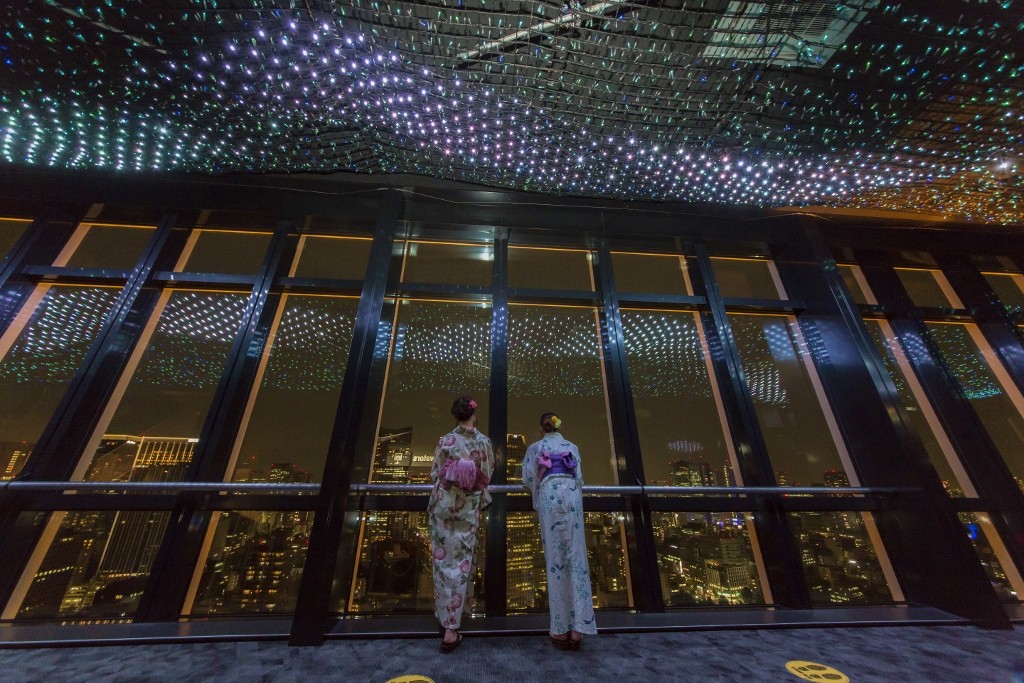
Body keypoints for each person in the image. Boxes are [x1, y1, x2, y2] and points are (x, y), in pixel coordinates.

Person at [521, 412, 597, 650]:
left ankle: (560, 629)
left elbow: (528, 478)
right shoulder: (572, 446)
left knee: (555, 563)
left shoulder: (535, 448)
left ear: (541, 428)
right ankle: (579, 629)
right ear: (558, 425)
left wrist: (540, 494)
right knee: (577, 560)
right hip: (572, 498)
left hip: (550, 498)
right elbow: (580, 478)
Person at [428, 395, 495, 653]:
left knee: (443, 561)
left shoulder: (446, 440)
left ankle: (446, 622)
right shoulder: (483, 441)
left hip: (444, 505)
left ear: (456, 415)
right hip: (467, 507)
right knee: (463, 561)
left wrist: (453, 473)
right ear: (473, 415)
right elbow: (487, 474)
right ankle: (453, 627)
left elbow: (435, 472)